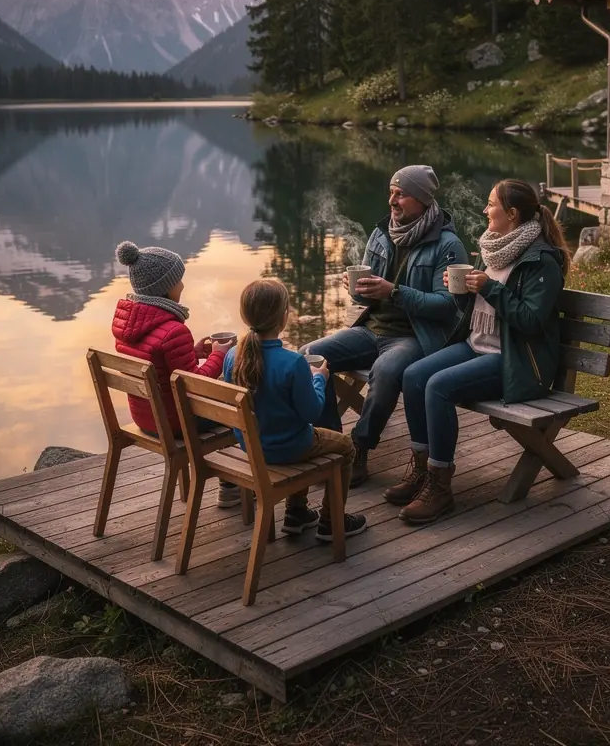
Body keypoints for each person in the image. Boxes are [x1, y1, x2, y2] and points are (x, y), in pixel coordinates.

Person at [386, 179, 570, 525]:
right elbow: (480, 311)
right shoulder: (497, 248)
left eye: (491, 205)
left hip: (517, 362)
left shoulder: (542, 260)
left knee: (437, 387)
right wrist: (462, 293)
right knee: (413, 376)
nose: (485, 211)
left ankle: (440, 487)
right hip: (479, 346)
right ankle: (422, 470)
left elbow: (530, 320)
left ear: (512, 214)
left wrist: (490, 288)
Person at [301, 165, 467, 488]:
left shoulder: (447, 245)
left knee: (386, 371)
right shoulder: (382, 233)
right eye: (391, 191)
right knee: (311, 355)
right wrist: (356, 290)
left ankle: (360, 447)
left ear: (420, 198)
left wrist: (394, 291)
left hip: (413, 335)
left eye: (400, 193)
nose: (392, 199)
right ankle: (336, 449)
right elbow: (369, 292)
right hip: (370, 328)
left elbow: (447, 306)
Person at [223, 278, 367, 541]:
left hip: (252, 446)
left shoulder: (233, 355)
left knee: (301, 430)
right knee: (345, 446)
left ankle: (297, 514)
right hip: (289, 447)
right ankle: (331, 521)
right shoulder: (293, 363)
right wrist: (319, 379)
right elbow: (311, 412)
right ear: (283, 317)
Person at [111, 240, 240, 508]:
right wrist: (220, 354)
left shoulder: (128, 327)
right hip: (175, 423)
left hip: (145, 418)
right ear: (166, 288)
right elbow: (195, 385)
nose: (182, 285)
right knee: (238, 409)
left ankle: (230, 485)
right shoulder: (173, 330)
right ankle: (232, 486)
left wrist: (192, 352)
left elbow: (163, 369)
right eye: (178, 280)